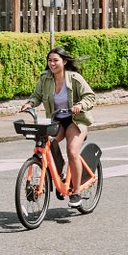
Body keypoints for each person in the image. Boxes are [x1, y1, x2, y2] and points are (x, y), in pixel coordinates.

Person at [21, 47, 97, 208]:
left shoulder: (74, 78)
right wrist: (29, 103)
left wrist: (80, 104)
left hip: (76, 120)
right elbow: (37, 96)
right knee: (48, 142)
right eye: (50, 60)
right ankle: (60, 173)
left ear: (64, 62)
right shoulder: (45, 78)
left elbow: (90, 96)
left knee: (72, 151)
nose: (52, 64)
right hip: (56, 119)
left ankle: (76, 192)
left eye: (56, 60)